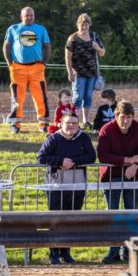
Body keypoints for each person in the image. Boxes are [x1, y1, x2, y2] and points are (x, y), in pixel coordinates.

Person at [36, 113, 96, 264]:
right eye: (68, 123)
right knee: (55, 220)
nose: (71, 126)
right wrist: (60, 161)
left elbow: (91, 156)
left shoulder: (83, 138)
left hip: (77, 185)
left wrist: (73, 162)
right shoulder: (53, 138)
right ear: (61, 124)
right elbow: (41, 157)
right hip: (56, 186)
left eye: (74, 124)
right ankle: (54, 252)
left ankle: (66, 252)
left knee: (71, 220)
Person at [97, 101, 138, 264]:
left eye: (129, 117)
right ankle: (113, 251)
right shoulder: (107, 130)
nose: (126, 120)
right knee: (112, 214)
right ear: (116, 116)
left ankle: (127, 250)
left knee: (131, 214)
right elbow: (103, 156)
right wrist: (128, 160)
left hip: (134, 178)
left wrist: (135, 165)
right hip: (111, 177)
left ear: (132, 117)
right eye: (123, 117)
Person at [3, 6, 51, 134]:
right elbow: (6, 47)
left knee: (40, 96)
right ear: (21, 17)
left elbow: (47, 47)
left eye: (31, 15)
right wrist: (10, 65)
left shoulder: (41, 29)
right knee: (17, 98)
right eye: (26, 15)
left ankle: (43, 123)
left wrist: (43, 64)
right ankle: (15, 124)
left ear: (34, 16)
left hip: (37, 68)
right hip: (18, 68)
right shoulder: (13, 29)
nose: (29, 17)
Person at [65, 13, 105, 131]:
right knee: (78, 97)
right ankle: (73, 122)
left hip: (92, 73)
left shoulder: (94, 36)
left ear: (89, 25)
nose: (84, 27)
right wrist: (70, 72)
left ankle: (85, 122)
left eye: (86, 25)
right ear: (78, 25)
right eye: (82, 25)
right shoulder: (72, 38)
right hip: (78, 73)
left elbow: (103, 53)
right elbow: (68, 57)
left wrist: (97, 47)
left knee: (88, 97)